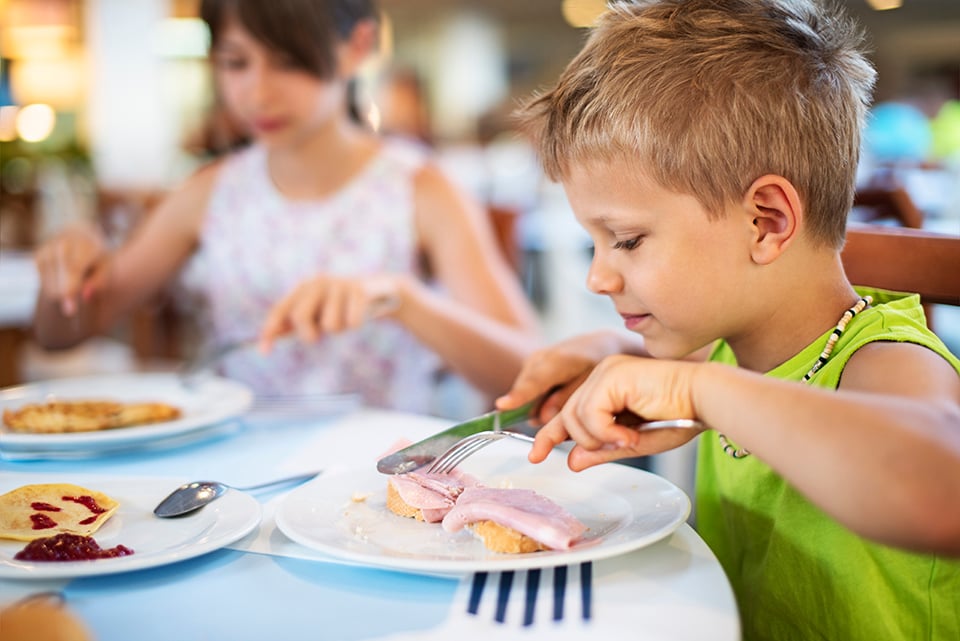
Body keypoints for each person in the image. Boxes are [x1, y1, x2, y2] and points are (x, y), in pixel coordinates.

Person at [497, 1, 960, 639]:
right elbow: (692, 375)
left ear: (765, 222)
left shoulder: (887, 359)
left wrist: (697, 392)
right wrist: (612, 351)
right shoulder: (729, 348)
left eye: (626, 240)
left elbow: (940, 492)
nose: (597, 278)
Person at [32, 0, 540, 413]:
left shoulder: (420, 189)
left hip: (382, 478)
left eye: (288, 61)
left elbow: (529, 372)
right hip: (235, 482)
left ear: (357, 46)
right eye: (235, 63)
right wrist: (64, 278)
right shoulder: (211, 192)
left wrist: (403, 300)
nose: (256, 92)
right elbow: (62, 336)